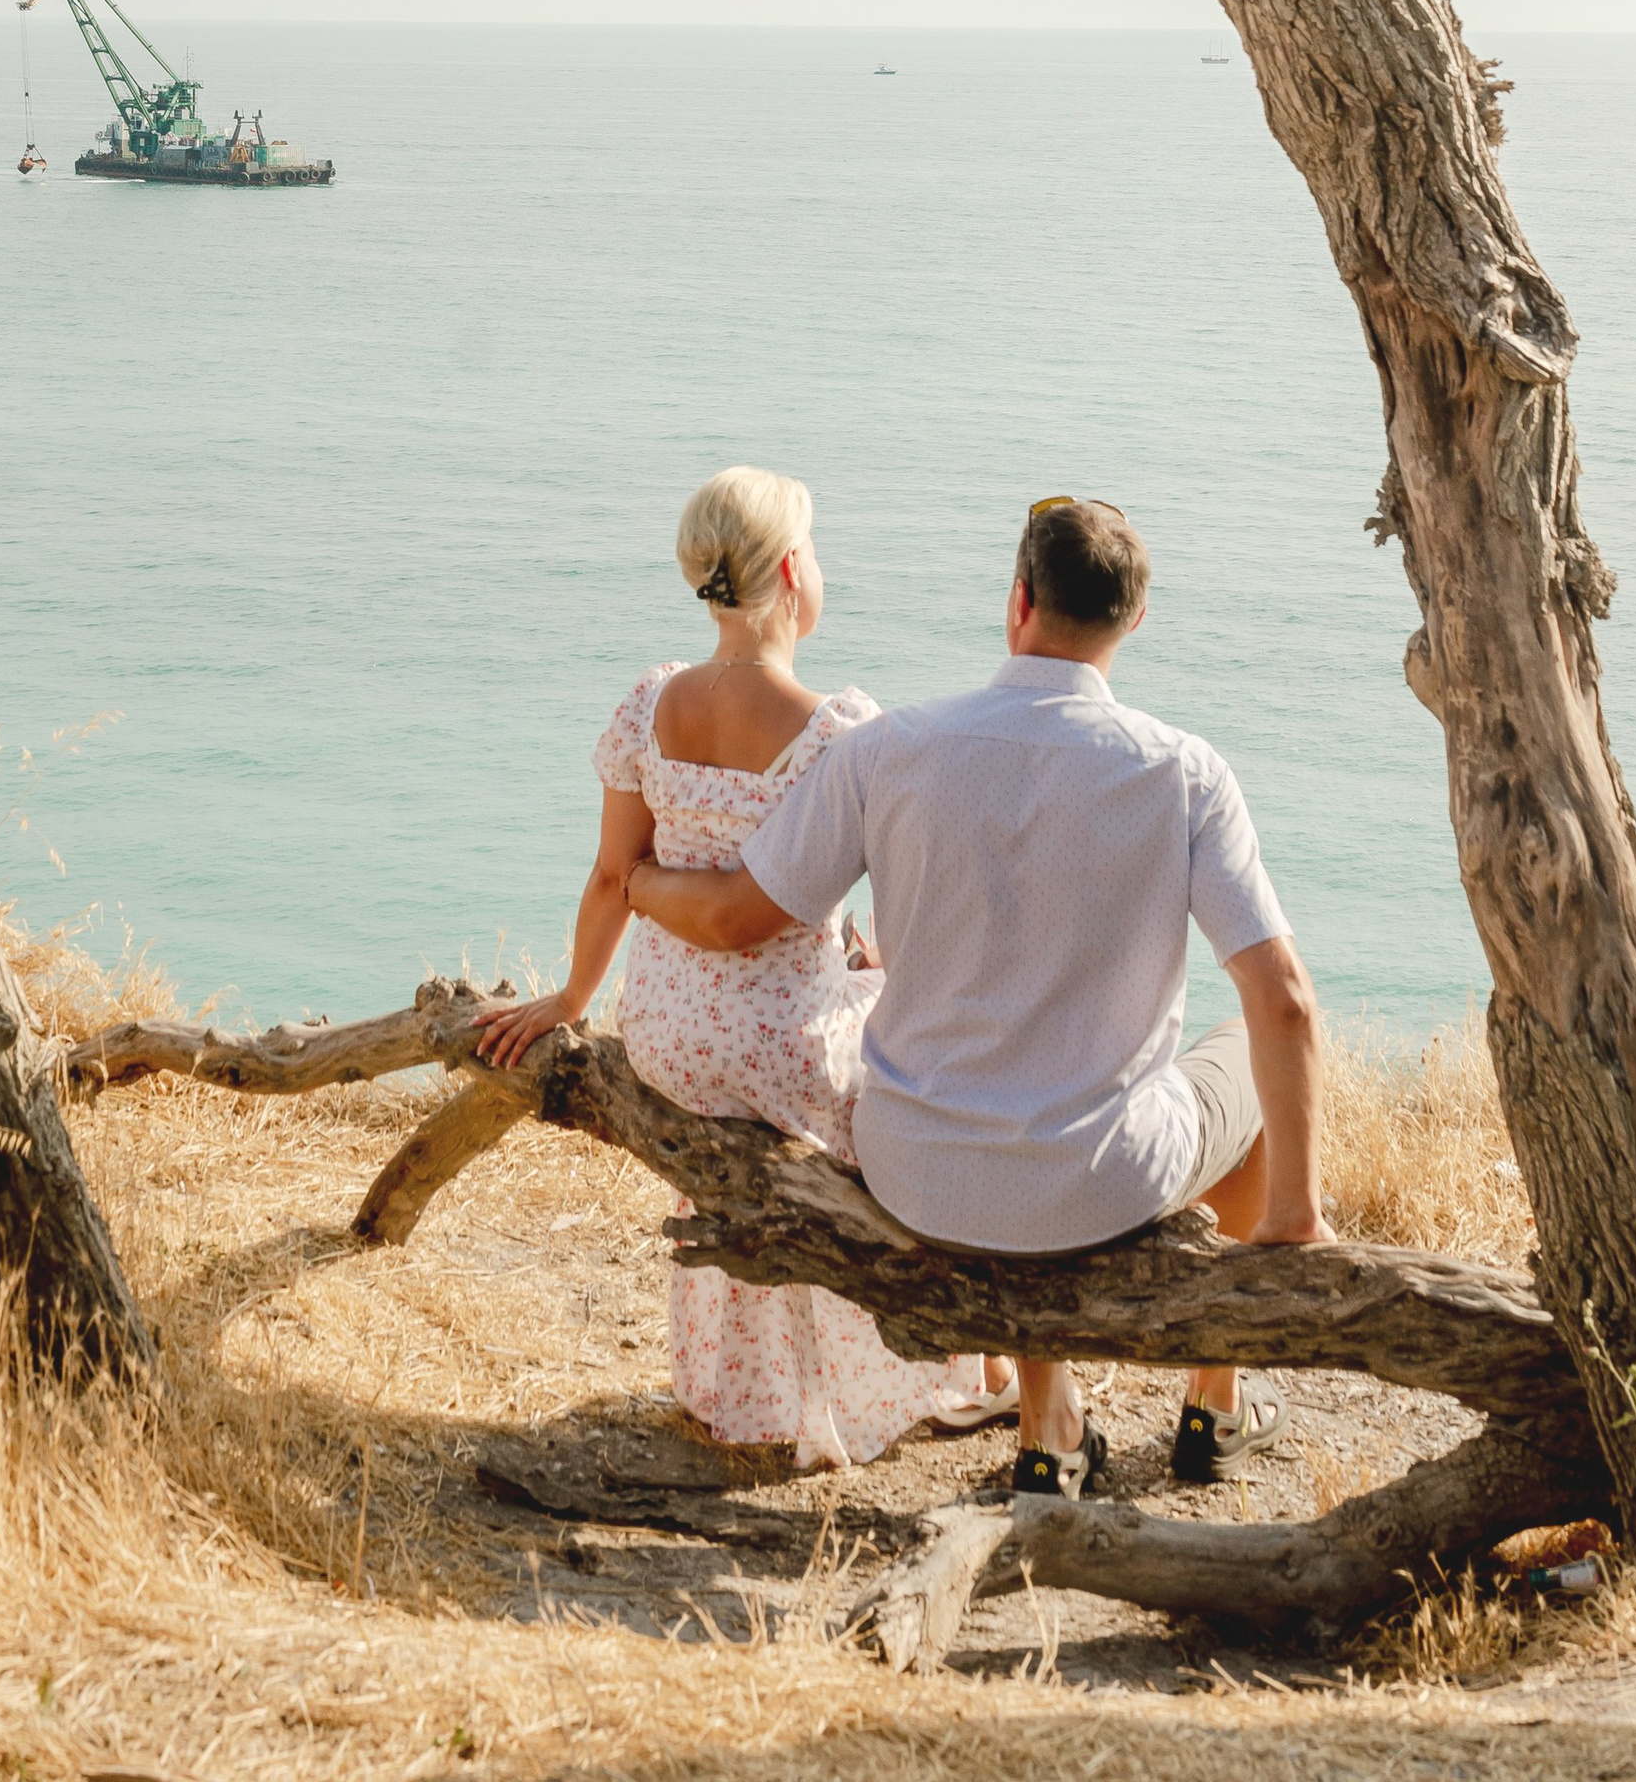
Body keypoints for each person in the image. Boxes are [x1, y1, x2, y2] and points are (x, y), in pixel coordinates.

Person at [624, 493, 1329, 1510]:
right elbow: (1287, 1004)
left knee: (999, 1045)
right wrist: (1297, 1219)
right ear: (1132, 622)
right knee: (1233, 1057)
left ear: (1016, 604)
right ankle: (1215, 1405)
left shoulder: (888, 751)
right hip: (1102, 1180)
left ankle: (1051, 1428)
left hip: (917, 1171)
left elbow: (741, 915)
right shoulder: (1182, 774)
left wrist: (640, 883)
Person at [472, 467, 987, 1470]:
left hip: (664, 1032)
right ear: (793, 572)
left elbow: (612, 876)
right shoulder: (842, 733)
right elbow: (898, 911)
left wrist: (571, 1000)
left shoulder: (649, 703)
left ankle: (734, 1393)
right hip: (777, 1044)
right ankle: (952, 1370)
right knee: (913, 1067)